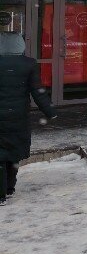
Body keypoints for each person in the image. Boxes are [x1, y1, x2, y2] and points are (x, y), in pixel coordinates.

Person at [0, 32, 56, 204]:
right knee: (14, 152)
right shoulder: (29, 64)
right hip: (19, 118)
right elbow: (38, 92)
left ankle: (1, 194)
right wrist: (50, 111)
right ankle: (10, 188)